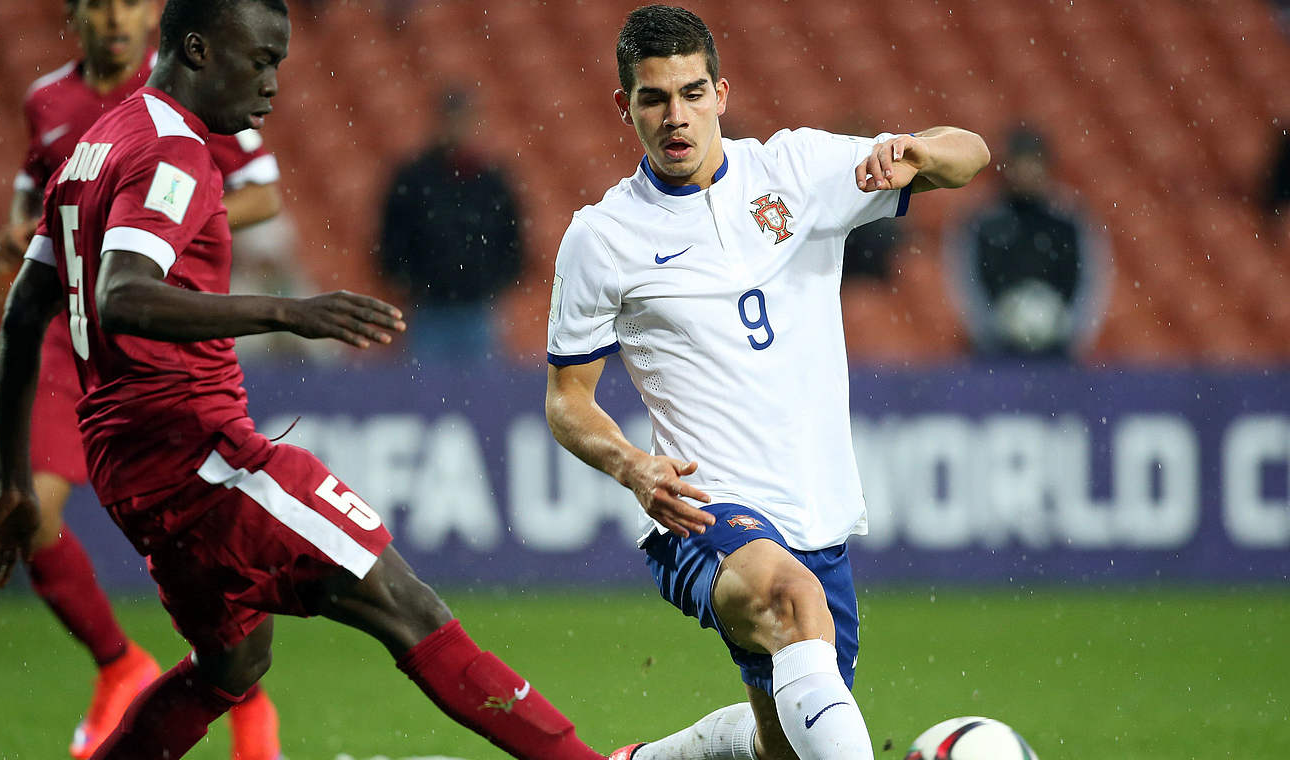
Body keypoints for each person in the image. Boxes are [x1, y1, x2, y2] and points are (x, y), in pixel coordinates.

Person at [0, 2, 606, 760]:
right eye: (260, 59)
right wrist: (290, 312)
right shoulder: (173, 153)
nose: (274, 84)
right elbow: (121, 294)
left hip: (130, 470)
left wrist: (16, 479)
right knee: (411, 608)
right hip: (200, 456)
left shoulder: (94, 147)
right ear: (199, 50)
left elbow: (24, 312)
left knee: (232, 665)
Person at [544, 7, 989, 760]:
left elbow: (970, 154)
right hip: (704, 512)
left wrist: (912, 150)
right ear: (625, 108)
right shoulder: (602, 237)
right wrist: (631, 466)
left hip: (819, 517)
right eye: (654, 99)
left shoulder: (798, 171)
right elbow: (567, 401)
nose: (675, 117)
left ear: (723, 92)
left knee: (778, 747)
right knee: (790, 601)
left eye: (691, 93)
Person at [0, 1, 286, 756]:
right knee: (38, 518)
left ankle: (245, 693)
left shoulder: (197, 93)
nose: (116, 20)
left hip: (157, 334)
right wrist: (27, 225)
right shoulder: (47, 102)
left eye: (130, 3)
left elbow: (265, 191)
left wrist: (167, 216)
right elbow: (37, 197)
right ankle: (119, 664)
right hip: (72, 334)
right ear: (76, 15)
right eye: (101, 4)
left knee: (211, 535)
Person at [375, 86, 524, 364]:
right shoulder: (414, 179)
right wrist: (412, 282)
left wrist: (490, 281)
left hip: (477, 308)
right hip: (429, 310)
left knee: (479, 393)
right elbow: (392, 240)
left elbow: (513, 242)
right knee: (430, 393)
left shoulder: (491, 181)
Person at [943, 127, 1108, 359]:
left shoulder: (1068, 220)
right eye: (1019, 165)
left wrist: (1070, 329)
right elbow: (964, 277)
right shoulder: (982, 220)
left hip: (1058, 353)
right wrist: (990, 329)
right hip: (996, 353)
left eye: (1032, 164)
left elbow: (1091, 277)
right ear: (1007, 168)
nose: (1025, 173)